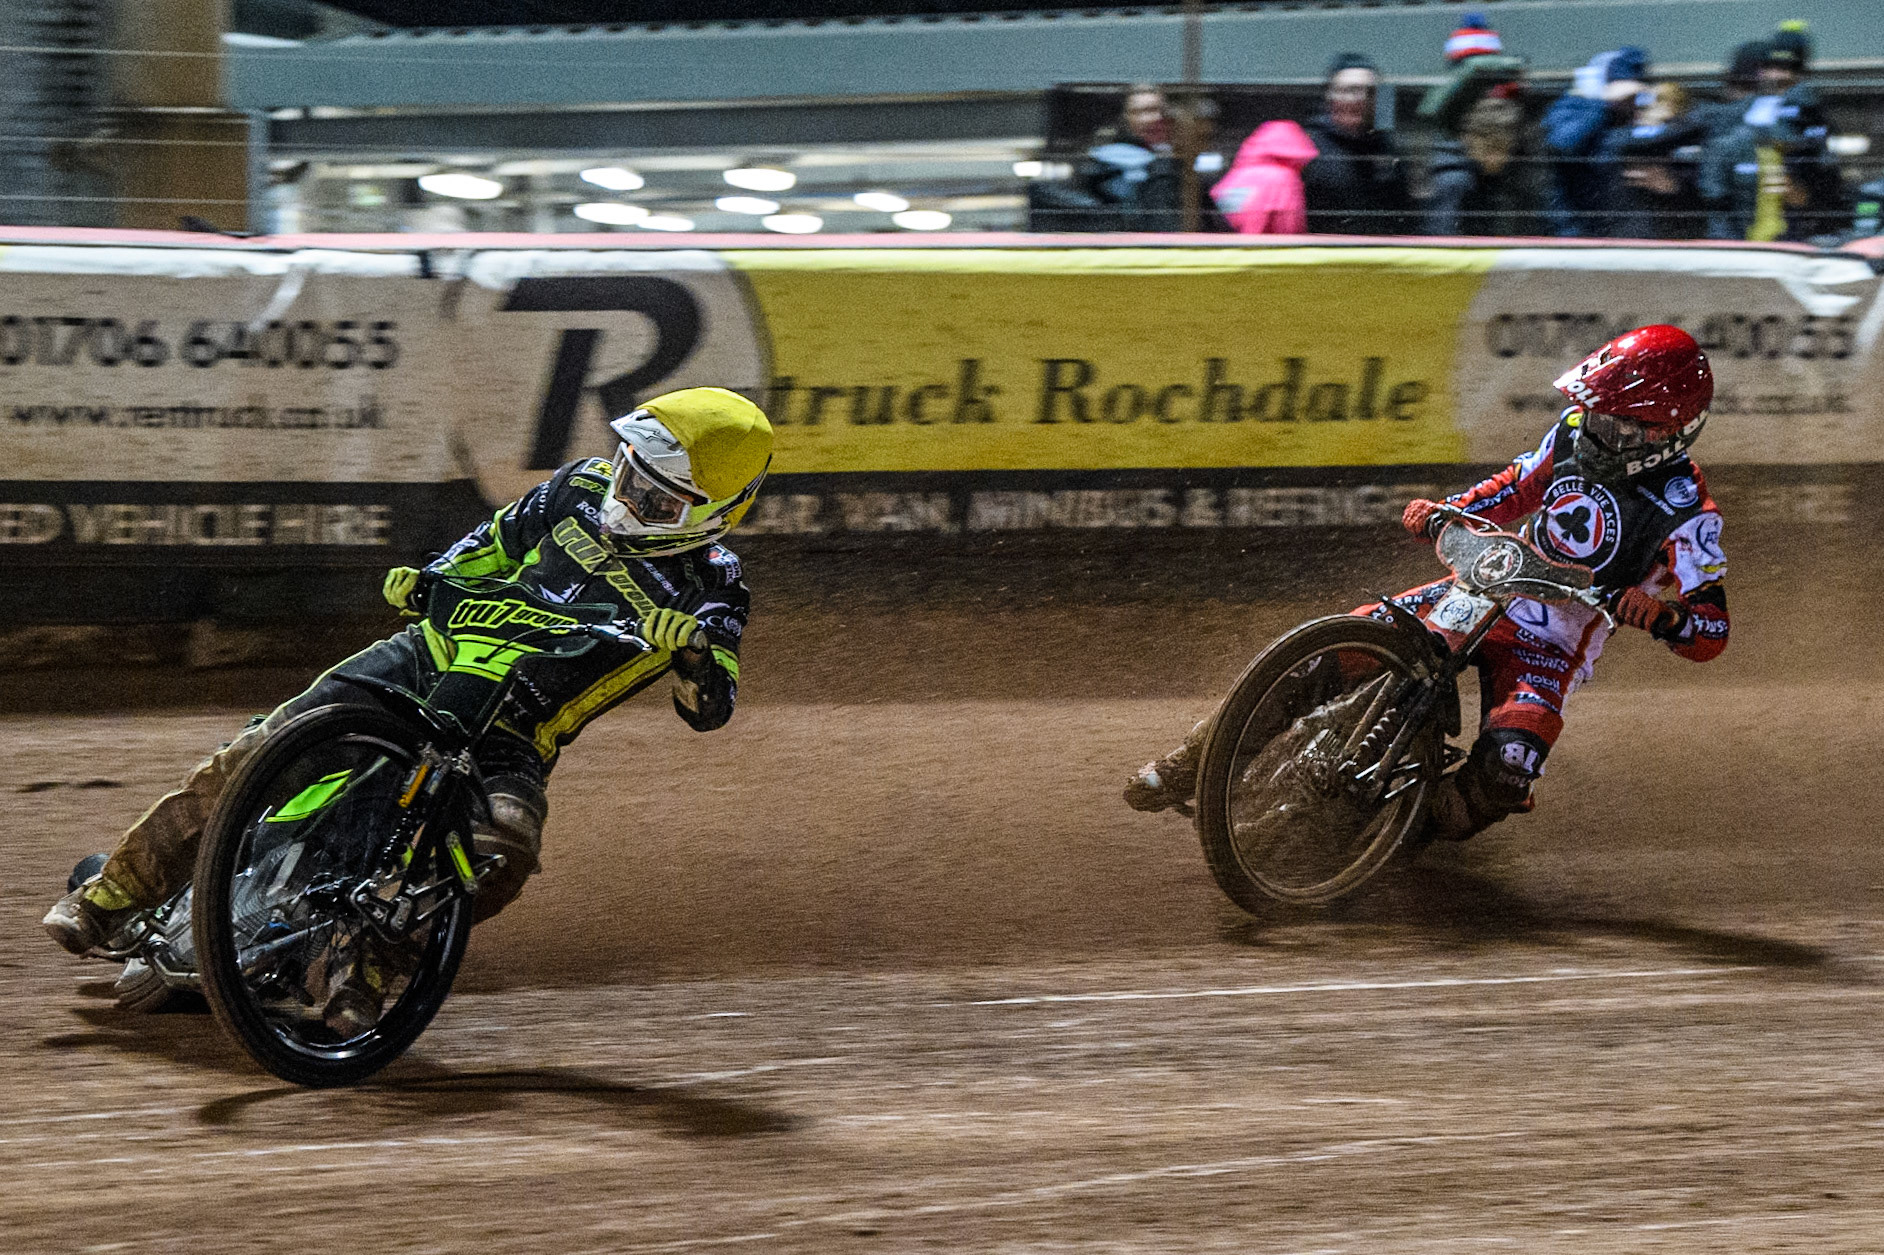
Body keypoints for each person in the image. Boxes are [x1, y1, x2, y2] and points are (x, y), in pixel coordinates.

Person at [46, 388, 773, 1018]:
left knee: (501, 849)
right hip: (427, 656)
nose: (626, 497)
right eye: (627, 471)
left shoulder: (714, 586)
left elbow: (709, 706)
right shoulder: (578, 488)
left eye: (652, 496)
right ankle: (114, 892)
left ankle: (362, 963)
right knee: (264, 748)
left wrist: (692, 656)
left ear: (714, 513)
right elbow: (487, 545)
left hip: (513, 730)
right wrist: (427, 577)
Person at [1125, 325, 1729, 843]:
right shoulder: (1573, 432)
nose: (1596, 432)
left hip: (1551, 647)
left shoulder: (1688, 511)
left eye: (1618, 427)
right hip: (1486, 588)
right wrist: (1449, 510)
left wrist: (1663, 616)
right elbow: (1515, 486)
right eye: (1595, 414)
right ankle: (1193, 761)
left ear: (1667, 435)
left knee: (1506, 775)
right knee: (1334, 652)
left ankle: (1395, 841)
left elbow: (1712, 630)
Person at [1541, 46, 1651, 236]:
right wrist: (1603, 102)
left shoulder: (1630, 116)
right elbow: (1562, 143)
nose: (1632, 103)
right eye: (1628, 97)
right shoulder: (1575, 106)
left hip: (1621, 230)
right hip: (1575, 230)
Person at [1299, 53, 1412, 235]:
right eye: (1349, 90)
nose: (1359, 99)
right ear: (1330, 96)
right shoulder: (1307, 149)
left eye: (1369, 92)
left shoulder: (1387, 149)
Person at [1424, 94, 1540, 236]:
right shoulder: (1455, 180)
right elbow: (1442, 238)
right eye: (1490, 148)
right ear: (1471, 140)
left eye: (1505, 150)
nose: (1497, 158)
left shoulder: (1492, 176)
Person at [1607, 83, 1710, 239]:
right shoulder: (1627, 138)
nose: (1642, 111)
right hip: (1635, 231)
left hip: (1679, 232)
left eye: (1653, 103)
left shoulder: (1689, 140)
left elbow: (1698, 191)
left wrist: (1672, 185)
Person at [1211, 119, 1318, 235]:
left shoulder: (1238, 174)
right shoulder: (1284, 178)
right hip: (1266, 247)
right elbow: (1289, 224)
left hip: (1228, 245)